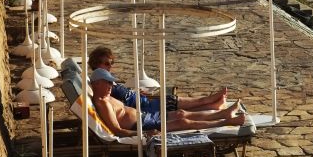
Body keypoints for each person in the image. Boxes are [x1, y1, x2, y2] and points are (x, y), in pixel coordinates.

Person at [89, 68, 251, 136]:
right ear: (96, 84)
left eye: (111, 83)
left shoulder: (107, 97)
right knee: (183, 121)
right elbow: (117, 131)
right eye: (107, 82)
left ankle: (223, 112)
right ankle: (226, 121)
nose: (111, 85)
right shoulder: (103, 103)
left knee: (180, 113)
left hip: (146, 116)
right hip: (143, 126)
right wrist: (144, 134)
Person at [88, 46, 228, 112]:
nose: (110, 66)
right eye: (106, 63)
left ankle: (211, 105)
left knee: (176, 101)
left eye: (111, 63)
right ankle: (208, 101)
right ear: (96, 64)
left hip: (146, 101)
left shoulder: (105, 81)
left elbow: (123, 96)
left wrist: (136, 93)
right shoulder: (101, 85)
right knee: (176, 101)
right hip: (149, 108)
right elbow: (116, 104)